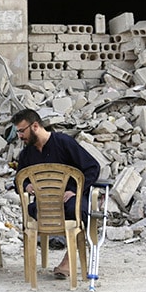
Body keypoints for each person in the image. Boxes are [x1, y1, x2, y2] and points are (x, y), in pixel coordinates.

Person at [11, 108, 100, 279]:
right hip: (44, 203)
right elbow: (18, 180)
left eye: (22, 131)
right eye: (18, 132)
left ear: (35, 126)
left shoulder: (64, 142)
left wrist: (74, 190)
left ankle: (68, 260)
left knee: (79, 210)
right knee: (33, 210)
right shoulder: (27, 154)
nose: (20, 136)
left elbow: (92, 167)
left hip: (70, 200)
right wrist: (27, 186)